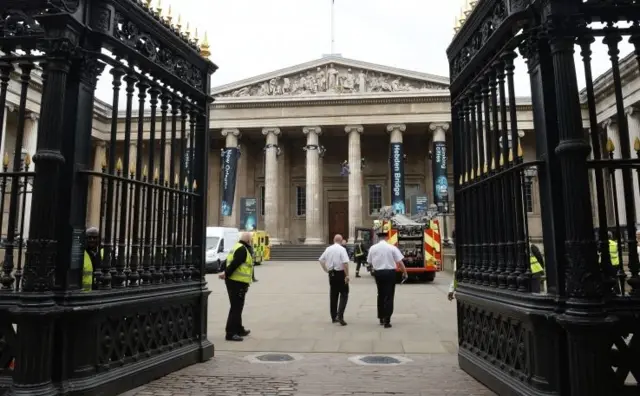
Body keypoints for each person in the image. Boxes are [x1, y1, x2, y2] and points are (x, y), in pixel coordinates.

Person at [367, 233, 408, 328]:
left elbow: (369, 262)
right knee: (389, 295)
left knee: (380, 294)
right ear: (386, 238)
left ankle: (381, 317)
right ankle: (387, 320)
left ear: (379, 238)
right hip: (390, 273)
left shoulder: (373, 248)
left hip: (379, 273)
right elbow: (400, 262)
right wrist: (405, 273)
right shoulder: (392, 248)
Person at [219, 232, 254, 341]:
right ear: (248, 241)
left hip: (236, 281)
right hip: (236, 282)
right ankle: (230, 333)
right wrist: (226, 274)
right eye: (251, 240)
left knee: (238, 306)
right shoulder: (242, 249)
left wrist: (224, 271)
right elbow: (234, 263)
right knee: (236, 307)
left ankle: (239, 329)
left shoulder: (237, 246)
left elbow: (226, 262)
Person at [318, 234, 350, 326]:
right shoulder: (342, 249)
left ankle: (333, 316)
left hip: (331, 274)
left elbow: (321, 260)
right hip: (340, 273)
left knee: (333, 295)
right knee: (344, 294)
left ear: (333, 240)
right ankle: (340, 315)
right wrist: (347, 275)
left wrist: (326, 269)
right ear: (341, 240)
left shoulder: (328, 249)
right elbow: (345, 263)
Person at [83, 227, 103, 291]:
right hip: (86, 290)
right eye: (89, 237)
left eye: (94, 238)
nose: (92, 240)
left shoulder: (104, 251)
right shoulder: (82, 252)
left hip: (101, 288)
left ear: (99, 239)